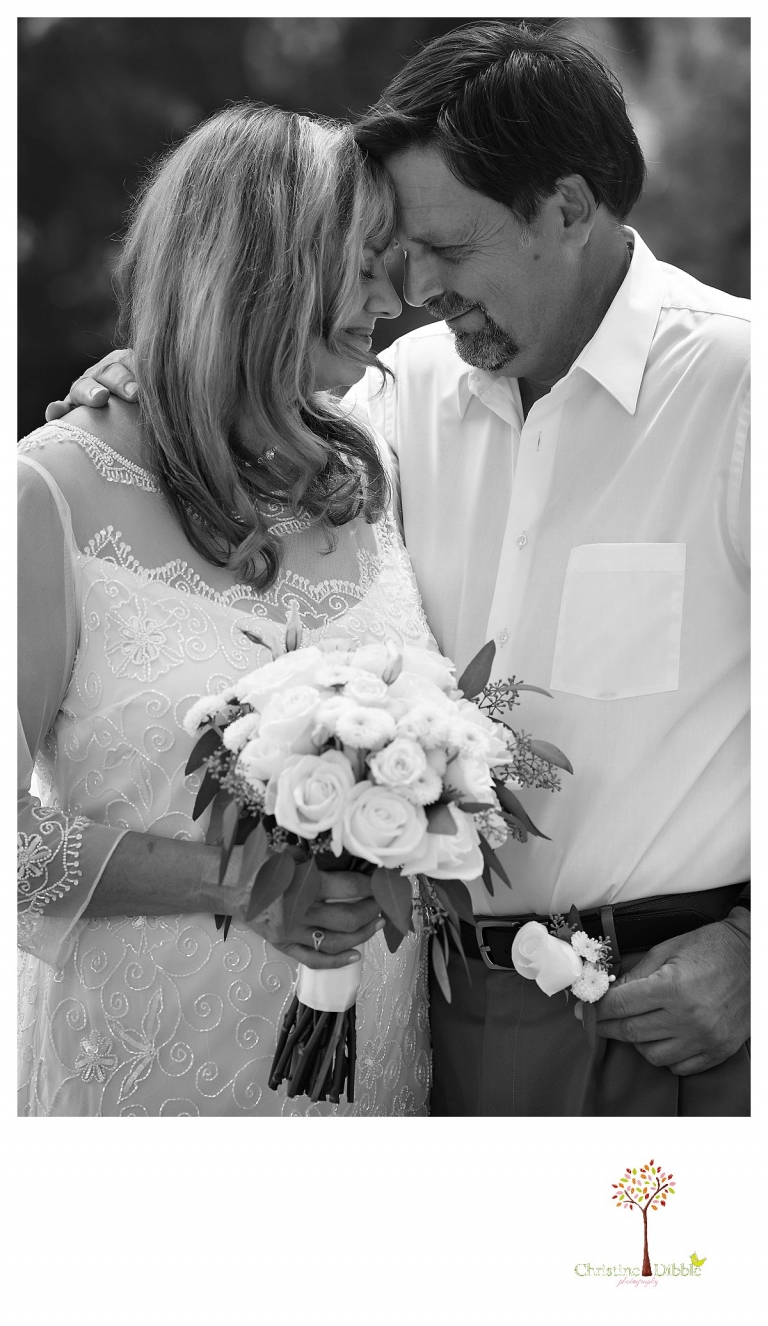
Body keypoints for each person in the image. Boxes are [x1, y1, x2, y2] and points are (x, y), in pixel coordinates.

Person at [49, 21, 750, 1117]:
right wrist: (159, 372)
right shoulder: (389, 405)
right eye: (394, 254)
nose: (414, 290)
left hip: (665, 1026)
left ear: (567, 207)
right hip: (428, 1028)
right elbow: (238, 396)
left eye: (447, 247)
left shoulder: (740, 389)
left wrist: (755, 955)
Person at [18, 103, 434, 1117]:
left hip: (378, 1068)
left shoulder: (369, 467)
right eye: (365, 260)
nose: (397, 293)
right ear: (259, 262)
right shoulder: (47, 496)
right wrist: (240, 883)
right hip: (149, 1069)